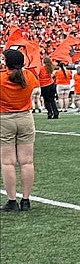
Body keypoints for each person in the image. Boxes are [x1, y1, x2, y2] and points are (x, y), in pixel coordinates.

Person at [1, 49, 38, 212]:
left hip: (5, 119)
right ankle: (26, 200)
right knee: (27, 161)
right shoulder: (28, 76)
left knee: (8, 162)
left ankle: (11, 200)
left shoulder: (2, 78)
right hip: (25, 118)